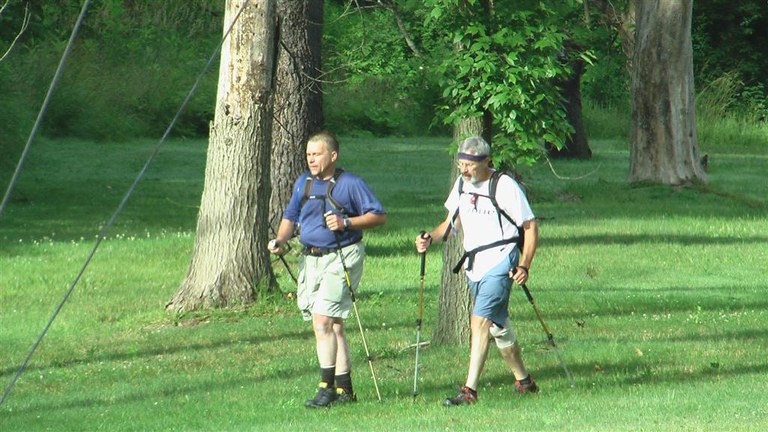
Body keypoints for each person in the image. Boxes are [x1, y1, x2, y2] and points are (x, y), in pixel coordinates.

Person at [415, 135, 540, 406]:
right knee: (498, 325)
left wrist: (524, 265)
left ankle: (469, 391)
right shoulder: (461, 184)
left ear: (486, 161)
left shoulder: (505, 186)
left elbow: (530, 227)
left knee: (479, 320)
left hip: (501, 260)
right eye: (461, 164)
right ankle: (525, 381)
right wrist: (430, 238)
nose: (464, 170)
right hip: (474, 266)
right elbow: (450, 224)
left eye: (470, 165)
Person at [268, 130, 387, 408]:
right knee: (333, 324)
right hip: (311, 259)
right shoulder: (304, 183)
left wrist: (346, 223)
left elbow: (379, 216)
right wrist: (281, 240)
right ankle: (346, 390)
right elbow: (290, 216)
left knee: (322, 320)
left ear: (333, 155)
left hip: (342, 256)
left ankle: (326, 387)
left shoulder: (351, 184)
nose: (311, 159)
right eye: (308, 154)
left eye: (317, 154)